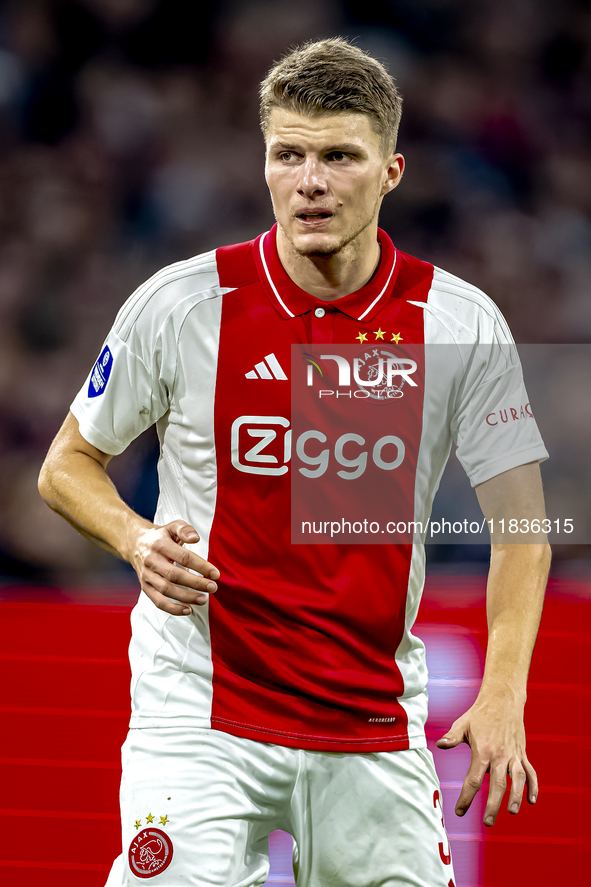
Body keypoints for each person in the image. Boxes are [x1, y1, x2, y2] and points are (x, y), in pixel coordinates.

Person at [39, 38, 551, 887]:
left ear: (390, 171)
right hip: (200, 713)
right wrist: (134, 541)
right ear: (265, 162)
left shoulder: (456, 321)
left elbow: (523, 525)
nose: (310, 180)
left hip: (370, 718)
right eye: (289, 154)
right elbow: (66, 465)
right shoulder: (181, 304)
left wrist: (503, 691)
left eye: (338, 156)